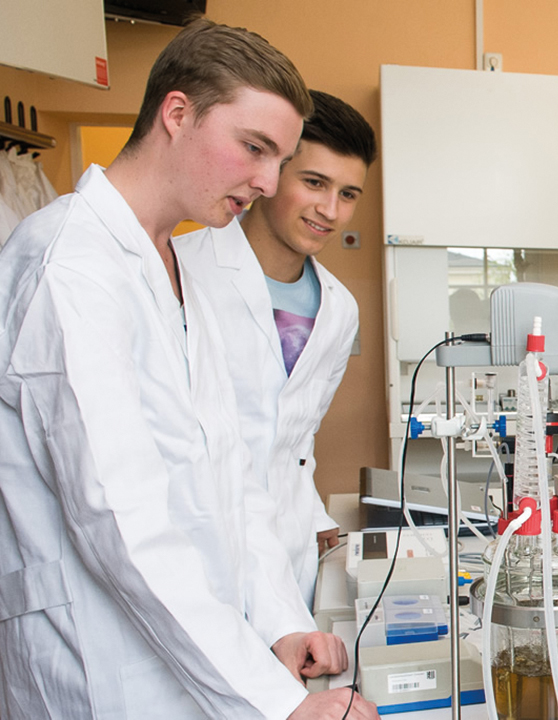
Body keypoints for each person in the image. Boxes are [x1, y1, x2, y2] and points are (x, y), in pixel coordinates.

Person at [0, 20, 378, 719]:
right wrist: (279, 703)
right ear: (176, 114)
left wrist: (278, 621)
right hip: (100, 667)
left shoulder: (171, 266)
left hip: (195, 653)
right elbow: (120, 517)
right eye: (254, 148)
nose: (267, 182)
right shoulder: (71, 265)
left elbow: (231, 473)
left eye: (278, 158)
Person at [176, 89, 371, 608]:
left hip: (288, 551)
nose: (330, 210)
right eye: (314, 182)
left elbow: (296, 438)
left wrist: (311, 516)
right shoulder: (181, 269)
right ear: (272, 173)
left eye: (348, 194)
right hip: (194, 547)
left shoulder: (339, 308)